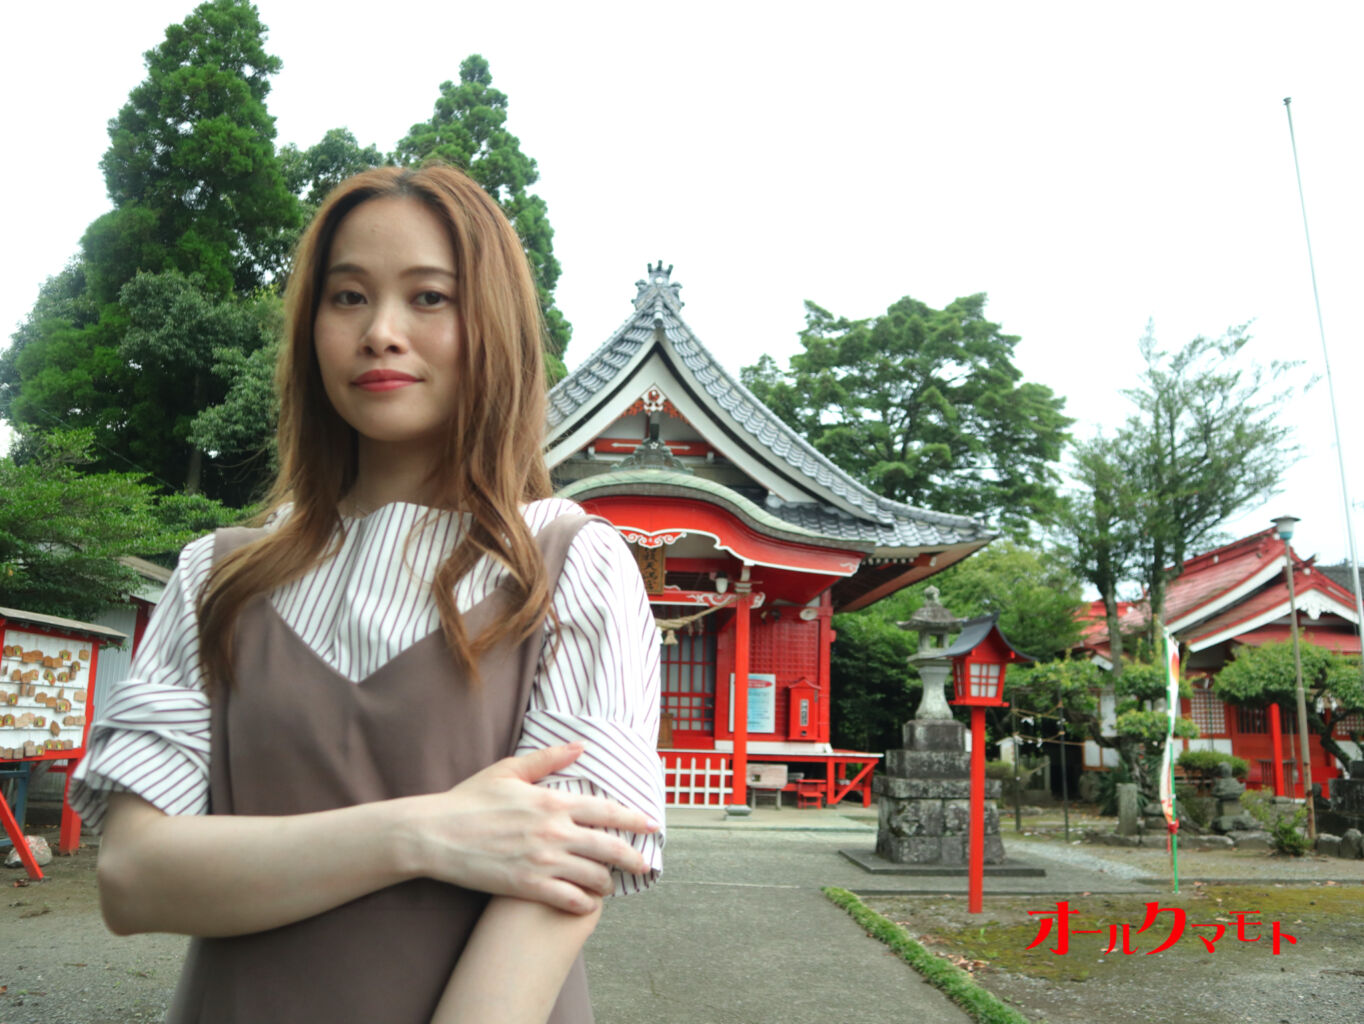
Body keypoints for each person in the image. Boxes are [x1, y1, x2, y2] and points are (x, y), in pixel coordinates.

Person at [70, 164, 665, 1024]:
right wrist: (427, 833)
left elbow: (558, 886)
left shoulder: (569, 564)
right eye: (347, 297)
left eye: (429, 298)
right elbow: (132, 879)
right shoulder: (216, 575)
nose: (381, 332)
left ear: (492, 322)